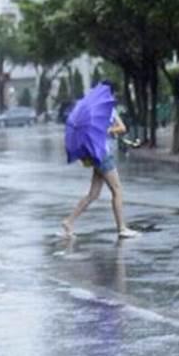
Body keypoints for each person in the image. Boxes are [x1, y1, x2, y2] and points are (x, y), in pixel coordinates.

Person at [61, 81, 140, 239]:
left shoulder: (89, 110)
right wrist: (110, 130)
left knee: (93, 194)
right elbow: (122, 127)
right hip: (104, 154)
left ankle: (69, 221)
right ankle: (122, 228)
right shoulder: (107, 109)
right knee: (117, 190)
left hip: (95, 155)